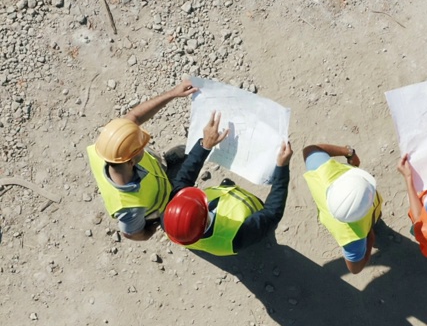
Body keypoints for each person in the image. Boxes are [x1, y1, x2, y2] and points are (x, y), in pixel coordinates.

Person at [162, 111, 293, 255]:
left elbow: (183, 178)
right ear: (205, 214)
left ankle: (227, 187)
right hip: (252, 210)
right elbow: (272, 213)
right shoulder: (237, 236)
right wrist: (282, 167)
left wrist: (204, 146)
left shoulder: (172, 219)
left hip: (223, 199)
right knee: (264, 228)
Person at [86, 80, 198, 241]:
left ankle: (165, 166)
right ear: (131, 162)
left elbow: (135, 117)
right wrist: (152, 229)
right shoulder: (129, 208)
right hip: (163, 203)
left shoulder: (109, 146)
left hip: (152, 175)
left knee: (158, 163)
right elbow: (133, 233)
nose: (144, 145)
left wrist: (173, 93)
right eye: (139, 148)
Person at [302, 144, 383, 274]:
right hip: (367, 226)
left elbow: (310, 149)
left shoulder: (322, 172)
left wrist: (348, 152)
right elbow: (355, 269)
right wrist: (370, 241)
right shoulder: (354, 240)